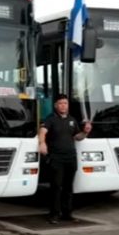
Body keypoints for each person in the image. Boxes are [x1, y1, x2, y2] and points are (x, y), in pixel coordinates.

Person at [38, 94, 92, 224]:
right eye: (61, 103)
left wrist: (85, 132)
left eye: (65, 103)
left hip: (71, 158)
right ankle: (54, 214)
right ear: (56, 105)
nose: (63, 105)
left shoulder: (72, 120)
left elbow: (77, 137)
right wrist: (42, 143)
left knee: (68, 187)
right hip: (56, 158)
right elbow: (42, 131)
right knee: (56, 186)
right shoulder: (50, 119)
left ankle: (67, 213)